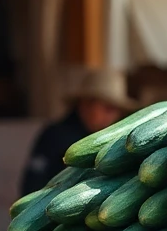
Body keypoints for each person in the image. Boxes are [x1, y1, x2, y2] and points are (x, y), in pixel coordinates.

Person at [19, 68, 133, 196]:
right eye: (108, 108)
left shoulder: (110, 141)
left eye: (117, 110)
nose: (112, 116)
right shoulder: (54, 136)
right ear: (86, 104)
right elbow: (31, 186)